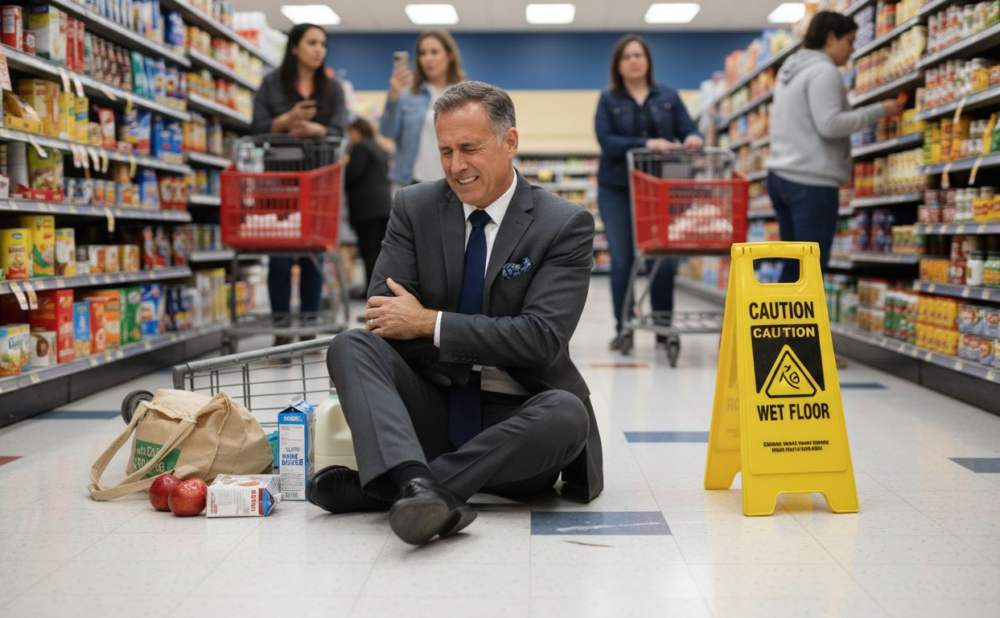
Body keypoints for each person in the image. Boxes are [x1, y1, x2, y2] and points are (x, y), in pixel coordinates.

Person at [312, 81, 604, 546]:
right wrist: (479, 333)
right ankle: (419, 485)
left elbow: (540, 341)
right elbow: (384, 317)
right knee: (352, 344)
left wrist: (431, 322)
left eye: (470, 148)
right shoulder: (414, 207)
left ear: (510, 142)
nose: (456, 166)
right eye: (446, 150)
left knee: (567, 413)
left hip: (516, 428)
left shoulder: (562, 224)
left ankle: (400, 486)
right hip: (433, 406)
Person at [767, 10, 904, 283]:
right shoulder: (823, 70)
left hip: (781, 176)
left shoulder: (790, 68)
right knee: (811, 271)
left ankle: (783, 326)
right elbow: (829, 124)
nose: (852, 51)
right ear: (831, 38)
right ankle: (802, 326)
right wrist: (881, 110)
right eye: (849, 41)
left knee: (794, 266)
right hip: (810, 182)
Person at [594, 34, 704, 350]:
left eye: (638, 55)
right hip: (617, 188)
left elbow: (688, 128)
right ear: (618, 64)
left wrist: (694, 137)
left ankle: (662, 328)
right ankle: (624, 327)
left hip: (659, 190)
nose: (633, 60)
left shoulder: (667, 95)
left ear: (647, 61)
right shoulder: (608, 99)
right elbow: (607, 141)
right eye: (626, 56)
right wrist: (645, 144)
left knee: (661, 259)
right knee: (623, 261)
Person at [250, 23, 348, 340]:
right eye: (311, 43)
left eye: (323, 44)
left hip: (318, 182)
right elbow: (256, 128)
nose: (319, 49)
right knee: (278, 258)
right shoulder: (271, 85)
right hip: (279, 182)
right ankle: (281, 329)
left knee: (313, 256)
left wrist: (318, 130)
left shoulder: (332, 90)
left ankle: (309, 328)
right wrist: (286, 120)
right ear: (294, 47)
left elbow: (340, 131)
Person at [380, 30, 467, 189]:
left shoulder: (463, 94)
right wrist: (393, 97)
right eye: (422, 53)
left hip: (451, 182)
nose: (428, 58)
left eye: (434, 52)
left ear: (449, 56)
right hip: (410, 181)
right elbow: (387, 132)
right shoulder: (407, 93)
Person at [344, 117, 392, 291]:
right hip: (383, 205)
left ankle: (372, 290)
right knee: (380, 251)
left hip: (366, 209)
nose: (349, 137)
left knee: (368, 250)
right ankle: (380, 289)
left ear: (357, 132)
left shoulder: (360, 148)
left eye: (350, 133)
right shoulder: (378, 147)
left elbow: (352, 175)